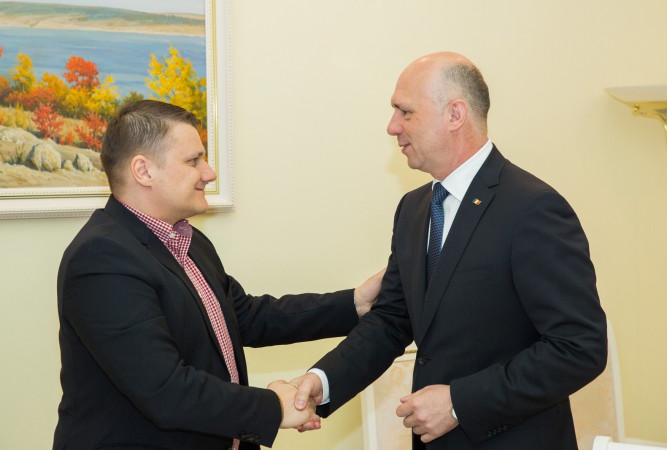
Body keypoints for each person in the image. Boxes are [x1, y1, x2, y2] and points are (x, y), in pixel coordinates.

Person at [290, 52, 608, 449]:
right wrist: (323, 381)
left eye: (405, 112)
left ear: (455, 114)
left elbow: (579, 347)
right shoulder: (413, 208)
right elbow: (391, 319)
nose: (392, 126)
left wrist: (460, 402)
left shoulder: (532, 208)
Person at [53, 99, 384, 450]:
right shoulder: (102, 258)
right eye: (194, 161)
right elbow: (165, 390)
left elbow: (246, 317)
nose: (209, 173)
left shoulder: (188, 239)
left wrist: (355, 303)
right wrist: (274, 408)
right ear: (144, 171)